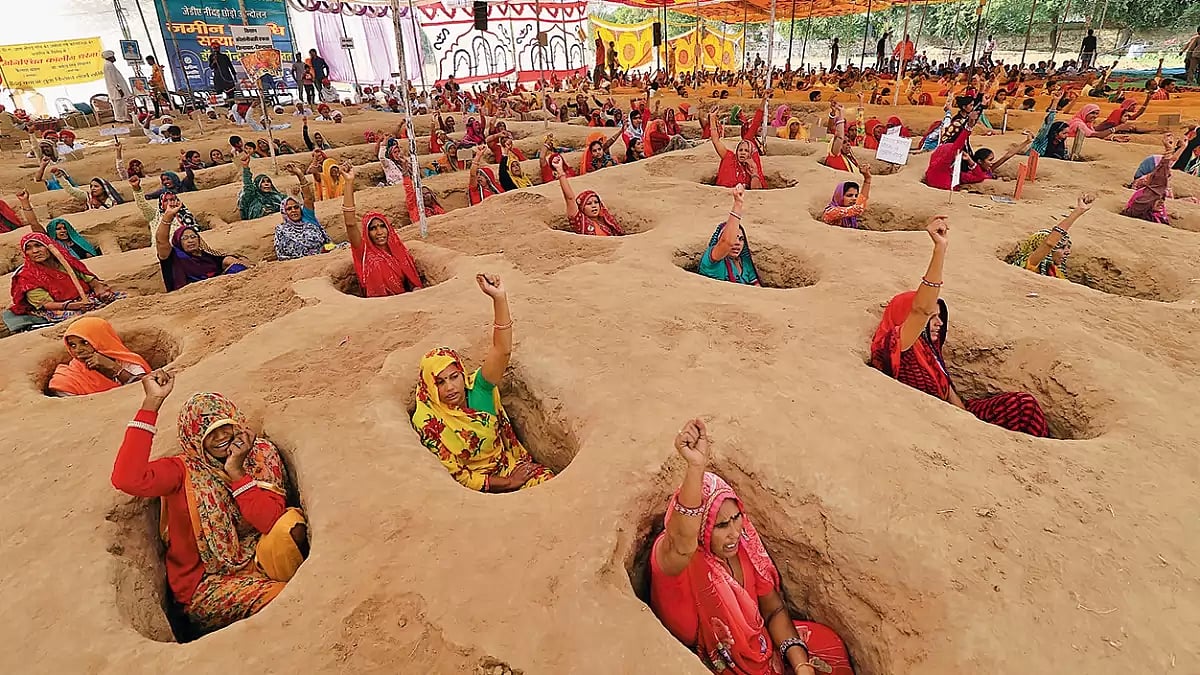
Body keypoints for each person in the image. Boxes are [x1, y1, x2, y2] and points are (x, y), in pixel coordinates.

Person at [651, 418, 854, 675]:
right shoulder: (678, 563)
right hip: (720, 666)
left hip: (765, 653)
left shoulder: (744, 549)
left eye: (737, 518)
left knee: (828, 645)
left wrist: (800, 663)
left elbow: (774, 610)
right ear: (701, 528)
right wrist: (695, 467)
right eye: (721, 525)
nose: (735, 532)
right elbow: (681, 542)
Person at [111, 371, 308, 636]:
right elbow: (127, 478)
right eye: (209, 432)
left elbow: (268, 520)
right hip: (206, 584)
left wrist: (238, 473)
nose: (221, 436)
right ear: (194, 440)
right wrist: (151, 404)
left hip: (253, 555)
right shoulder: (183, 471)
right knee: (285, 601)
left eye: (224, 425)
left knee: (290, 525)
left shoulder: (260, 454)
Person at [870, 217, 1050, 436]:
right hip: (930, 424)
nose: (940, 322)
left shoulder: (928, 348)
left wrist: (969, 421)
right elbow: (921, 310)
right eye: (933, 317)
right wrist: (940, 249)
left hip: (957, 417)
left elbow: (948, 392)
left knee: (1024, 405)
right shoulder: (896, 347)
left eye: (940, 316)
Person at [412, 275, 554, 492]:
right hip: (475, 493)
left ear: (462, 374)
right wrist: (507, 483)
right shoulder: (427, 421)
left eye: (454, 377)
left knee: (548, 484)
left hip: (508, 467)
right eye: (440, 382)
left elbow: (502, 350)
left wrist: (499, 298)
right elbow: (457, 476)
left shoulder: (479, 389)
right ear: (430, 387)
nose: (450, 387)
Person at [340, 165, 424, 297]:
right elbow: (350, 223)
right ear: (367, 233)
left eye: (382, 226)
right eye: (373, 228)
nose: (379, 232)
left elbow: (411, 281)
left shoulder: (399, 252)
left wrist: (415, 290)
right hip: (378, 309)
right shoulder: (364, 251)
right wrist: (349, 183)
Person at [8, 233, 125, 324]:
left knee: (122, 298)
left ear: (49, 247)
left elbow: (93, 282)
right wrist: (73, 305)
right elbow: (47, 304)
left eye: (39, 245)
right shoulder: (27, 277)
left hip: (85, 299)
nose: (35, 251)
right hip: (60, 307)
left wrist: (101, 292)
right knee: (81, 318)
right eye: (29, 248)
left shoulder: (67, 263)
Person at [154, 191, 248, 292]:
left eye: (193, 236)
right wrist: (168, 216)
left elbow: (225, 261)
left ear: (199, 240)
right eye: (185, 238)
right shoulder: (173, 257)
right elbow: (161, 241)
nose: (190, 240)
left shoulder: (205, 256)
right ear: (178, 242)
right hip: (189, 297)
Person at [46, 317, 150, 397]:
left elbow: (147, 388)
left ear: (103, 341)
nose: (78, 350)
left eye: (85, 342)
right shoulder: (69, 377)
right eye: (72, 345)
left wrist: (114, 368)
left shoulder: (126, 362)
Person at [1006, 195, 1093, 278]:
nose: (1068, 252)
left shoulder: (1053, 269)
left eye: (1067, 247)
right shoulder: (1030, 263)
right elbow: (1049, 243)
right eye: (1062, 247)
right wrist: (1078, 211)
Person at [14, 189, 102, 259]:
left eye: (64, 228)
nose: (63, 231)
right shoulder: (51, 243)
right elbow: (34, 224)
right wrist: (25, 202)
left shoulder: (79, 241)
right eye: (58, 229)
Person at [550, 155, 624, 236]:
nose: (594, 206)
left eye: (596, 202)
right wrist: (560, 171)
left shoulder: (606, 220)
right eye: (588, 203)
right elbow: (570, 198)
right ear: (582, 208)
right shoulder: (580, 222)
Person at [698, 186, 758, 285]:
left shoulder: (744, 263)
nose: (737, 243)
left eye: (741, 239)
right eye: (734, 238)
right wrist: (738, 204)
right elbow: (727, 242)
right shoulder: (712, 260)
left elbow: (757, 287)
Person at [1122, 137, 1186, 224]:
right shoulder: (1144, 192)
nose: (1161, 202)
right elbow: (1158, 180)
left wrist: (1181, 148)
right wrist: (1169, 151)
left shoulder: (1158, 193)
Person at [275, 163, 332, 260]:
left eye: (296, 207)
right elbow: (281, 255)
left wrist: (300, 175)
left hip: (325, 258)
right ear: (284, 213)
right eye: (289, 209)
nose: (293, 210)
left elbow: (308, 198)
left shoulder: (308, 218)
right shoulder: (281, 230)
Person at [708, 113, 765, 189]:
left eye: (746, 151)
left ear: (750, 154)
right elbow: (716, 141)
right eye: (740, 150)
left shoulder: (751, 166)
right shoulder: (728, 157)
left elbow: (756, 191)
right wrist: (712, 118)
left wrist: (754, 173)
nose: (742, 152)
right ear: (737, 152)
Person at [236, 152, 285, 220]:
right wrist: (245, 167)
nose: (266, 184)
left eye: (268, 181)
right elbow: (248, 186)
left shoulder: (277, 196)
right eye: (263, 182)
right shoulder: (253, 196)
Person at [822, 163, 872, 228]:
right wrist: (867, 179)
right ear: (839, 196)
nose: (854, 198)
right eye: (849, 195)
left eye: (856, 196)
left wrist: (867, 179)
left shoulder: (850, 213)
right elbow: (859, 208)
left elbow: (860, 203)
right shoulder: (831, 212)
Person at [54, 172, 123, 210]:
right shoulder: (88, 197)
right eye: (91, 186)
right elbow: (71, 190)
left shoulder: (112, 200)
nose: (93, 188)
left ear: (104, 188)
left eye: (96, 186)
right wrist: (60, 178)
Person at [102, 50, 131, 123]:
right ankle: (120, 119)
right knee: (119, 105)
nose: (114, 58)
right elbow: (113, 79)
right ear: (109, 58)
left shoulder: (109, 64)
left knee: (121, 105)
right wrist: (119, 89)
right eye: (113, 57)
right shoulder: (109, 65)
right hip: (116, 90)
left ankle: (123, 118)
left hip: (116, 89)